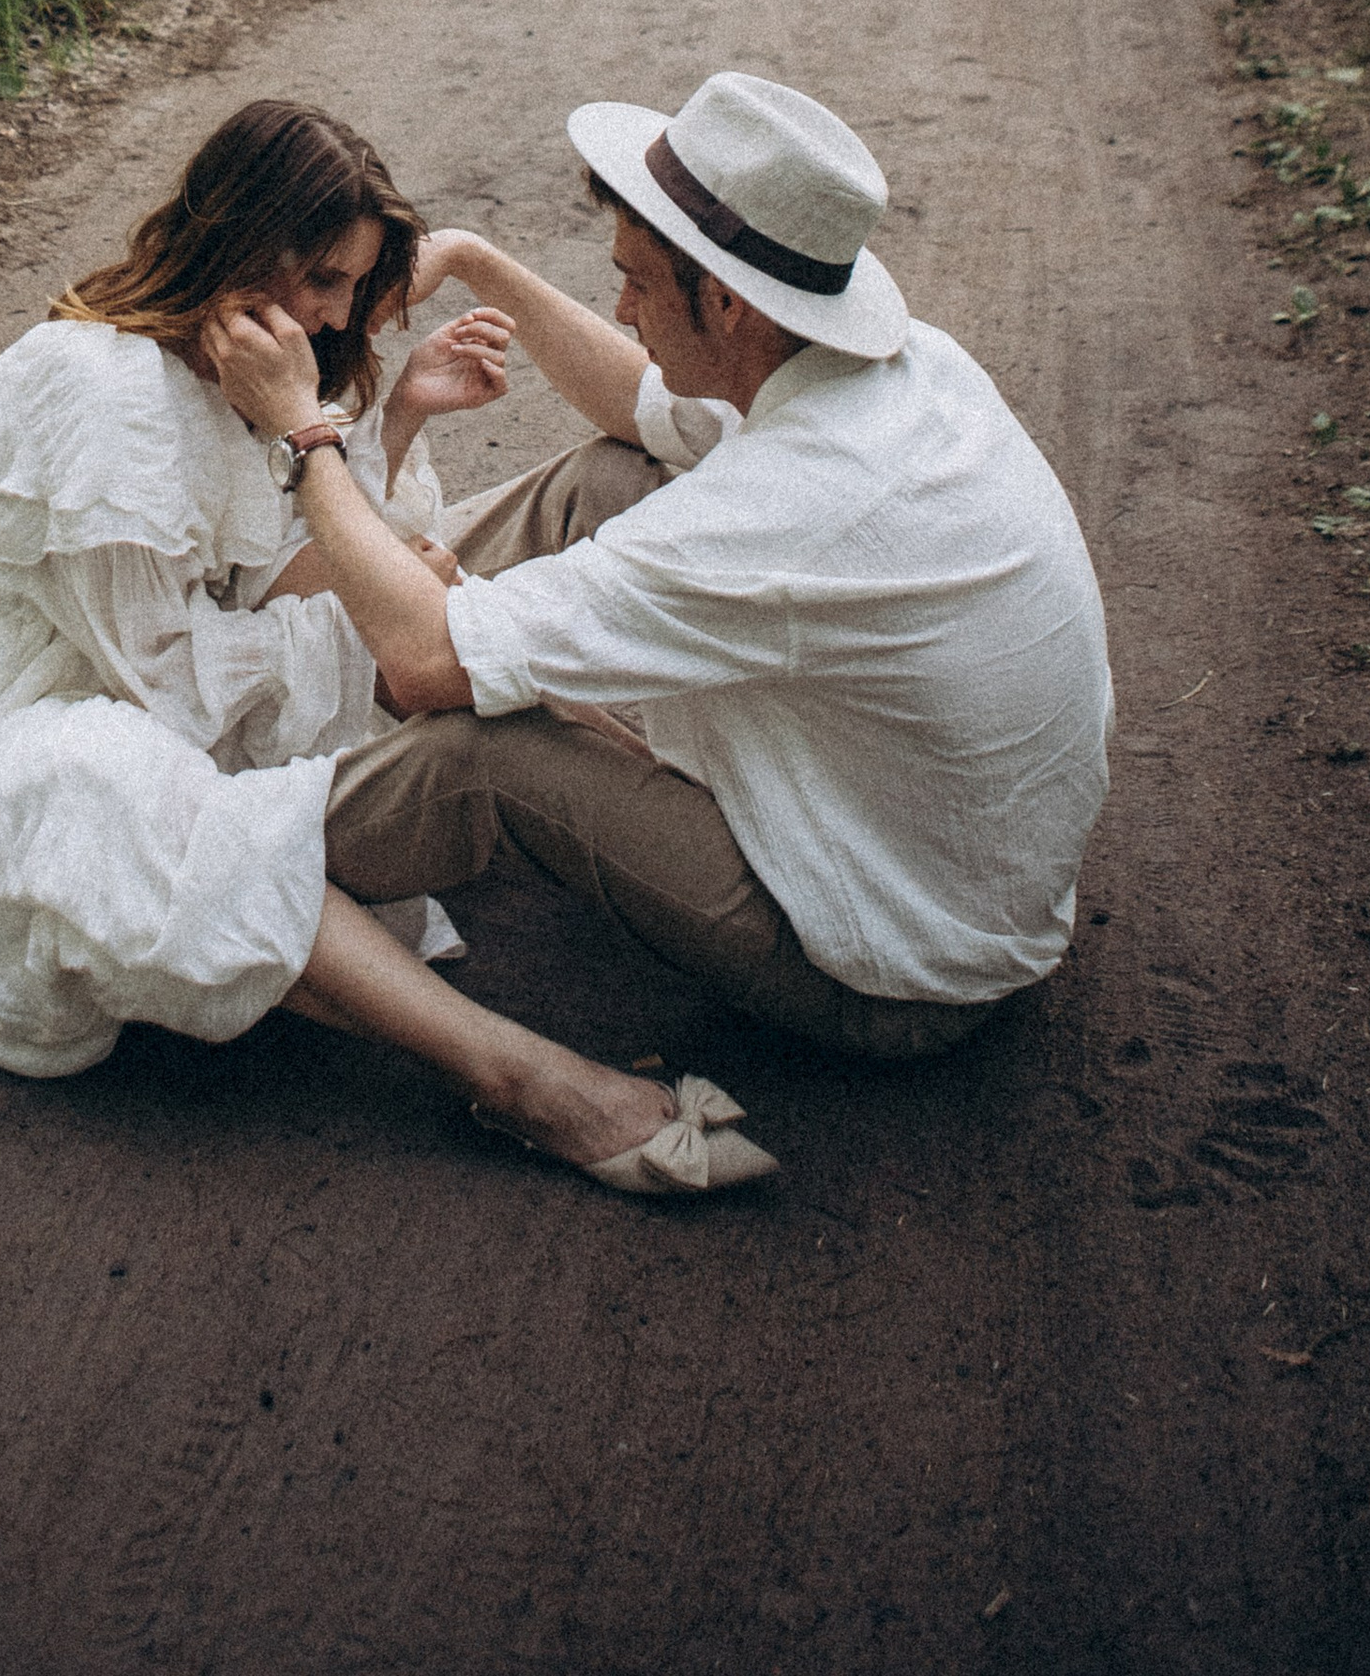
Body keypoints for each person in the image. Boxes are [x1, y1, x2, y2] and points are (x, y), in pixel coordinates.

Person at [0, 98, 779, 1200]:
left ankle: (685, 816)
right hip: (41, 724)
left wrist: (391, 437)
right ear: (238, 239)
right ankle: (525, 1078)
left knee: (428, 594)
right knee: (112, 774)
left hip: (184, 697)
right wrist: (368, 597)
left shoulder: (246, 369)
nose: (336, 317)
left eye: (350, 286)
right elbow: (165, 686)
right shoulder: (96, 391)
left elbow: (262, 568)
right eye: (321, 279)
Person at [211, 72, 1114, 1086]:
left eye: (636, 281)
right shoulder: (900, 368)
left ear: (726, 303)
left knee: (483, 750)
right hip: (951, 869)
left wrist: (305, 431)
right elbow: (642, 405)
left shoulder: (789, 507)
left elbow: (423, 666)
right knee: (614, 476)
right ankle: (349, 613)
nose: (621, 305)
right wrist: (474, 263)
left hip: (895, 974)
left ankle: (224, 840)